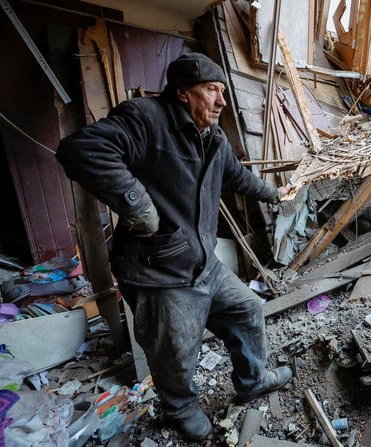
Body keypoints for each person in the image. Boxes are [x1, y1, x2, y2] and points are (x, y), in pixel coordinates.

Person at [57, 52, 292, 441]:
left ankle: (252, 380)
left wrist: (274, 194)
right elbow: (81, 149)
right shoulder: (146, 118)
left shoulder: (212, 137)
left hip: (202, 262)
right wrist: (136, 202)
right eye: (212, 91)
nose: (221, 101)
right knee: (176, 352)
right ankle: (180, 409)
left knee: (247, 309)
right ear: (183, 93)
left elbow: (236, 176)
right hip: (159, 270)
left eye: (222, 92)